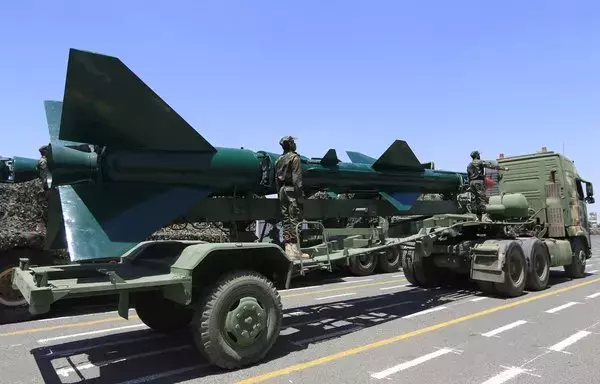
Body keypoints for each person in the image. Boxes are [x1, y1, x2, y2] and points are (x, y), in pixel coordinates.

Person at [275, 136, 310, 259]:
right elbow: (297, 179)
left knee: (285, 218)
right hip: (291, 190)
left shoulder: (279, 160)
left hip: (282, 191)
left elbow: (277, 180)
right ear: (290, 144)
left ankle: (288, 248)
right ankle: (295, 250)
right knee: (295, 217)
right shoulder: (295, 158)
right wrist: (300, 195)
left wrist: (279, 193)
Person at [467, 150, 509, 221]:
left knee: (474, 199)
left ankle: (477, 217)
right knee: (482, 198)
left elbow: (468, 176)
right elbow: (491, 166)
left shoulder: (469, 165)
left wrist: (469, 185)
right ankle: (484, 216)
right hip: (478, 182)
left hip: (471, 182)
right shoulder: (480, 162)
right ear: (477, 155)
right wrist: (503, 168)